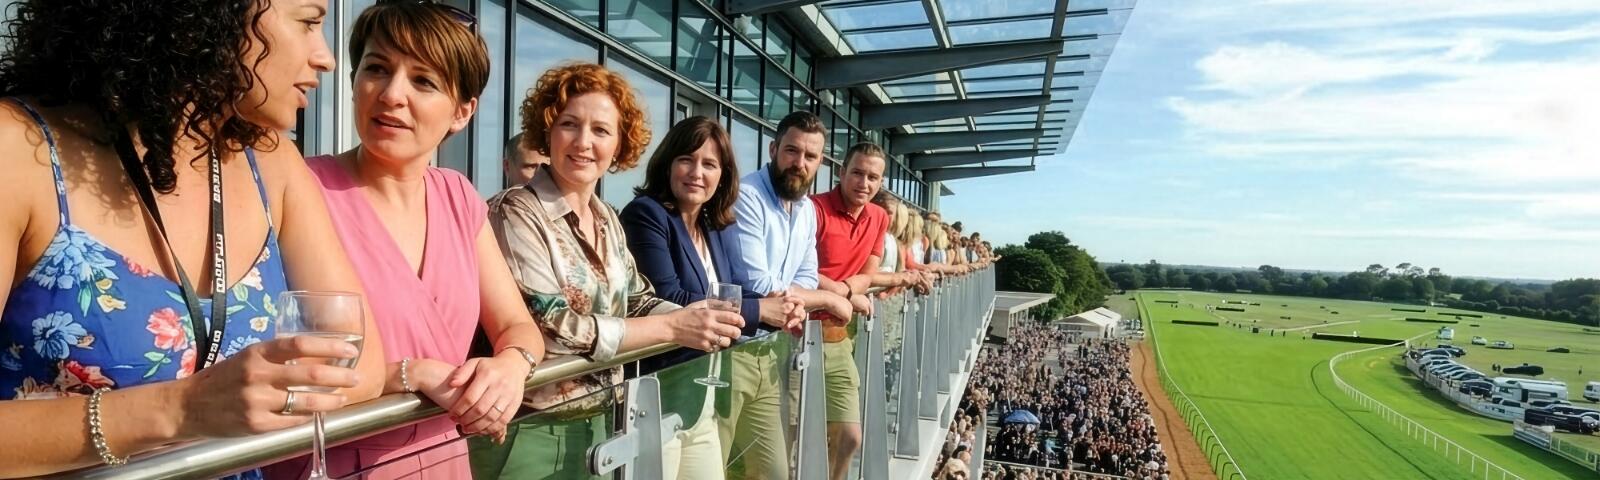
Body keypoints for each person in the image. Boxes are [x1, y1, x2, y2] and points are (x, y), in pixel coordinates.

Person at [0, 1, 387, 477]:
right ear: (211, 15)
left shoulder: (272, 163)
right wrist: (178, 408)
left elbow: (363, 366)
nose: (325, 57)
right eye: (308, 22)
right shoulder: (17, 150)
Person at [264, 4, 546, 479]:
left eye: (423, 81)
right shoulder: (300, 189)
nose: (391, 94)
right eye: (376, 69)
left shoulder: (458, 196)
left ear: (462, 111)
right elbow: (269, 361)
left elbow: (517, 324)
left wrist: (511, 368)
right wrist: (407, 373)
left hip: (442, 459)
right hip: (328, 462)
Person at [471, 62, 744, 479]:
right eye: (569, 124)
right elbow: (553, 328)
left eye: (601, 130)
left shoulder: (606, 219)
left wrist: (694, 316)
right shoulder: (514, 210)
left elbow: (636, 298)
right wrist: (674, 329)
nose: (584, 142)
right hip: (529, 429)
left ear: (619, 146)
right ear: (547, 132)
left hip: (600, 422)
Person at [619, 116, 805, 480]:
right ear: (667, 163)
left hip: (704, 398)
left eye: (710, 164)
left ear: (723, 174)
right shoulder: (647, 214)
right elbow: (670, 296)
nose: (696, 172)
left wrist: (780, 304)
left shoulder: (712, 224)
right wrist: (759, 311)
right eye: (686, 159)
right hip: (658, 399)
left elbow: (729, 289)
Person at [719, 110, 853, 480]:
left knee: (771, 470)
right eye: (792, 151)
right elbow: (759, 283)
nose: (799, 163)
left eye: (810, 156)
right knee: (721, 463)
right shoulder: (747, 195)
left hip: (773, 349)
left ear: (820, 163)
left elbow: (807, 276)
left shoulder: (807, 209)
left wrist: (804, 295)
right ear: (774, 148)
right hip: (734, 349)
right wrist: (826, 300)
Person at [809, 142, 932, 480]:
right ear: (840, 172)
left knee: (851, 436)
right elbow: (798, 270)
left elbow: (868, 275)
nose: (864, 182)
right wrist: (846, 292)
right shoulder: (814, 208)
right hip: (796, 335)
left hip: (838, 338)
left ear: (881, 182)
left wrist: (849, 291)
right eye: (858, 173)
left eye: (873, 177)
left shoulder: (878, 217)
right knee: (796, 436)